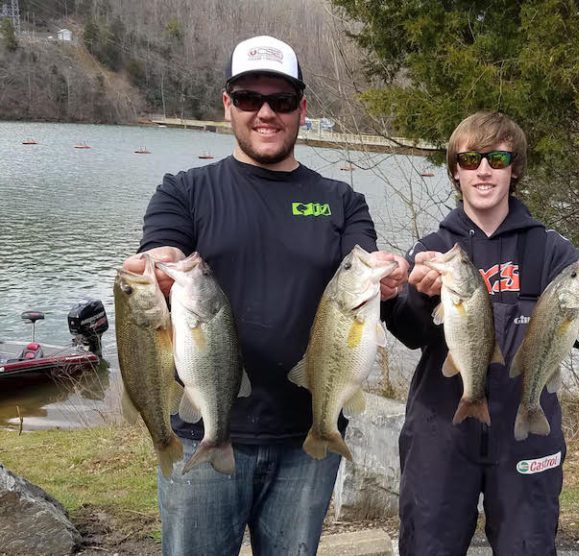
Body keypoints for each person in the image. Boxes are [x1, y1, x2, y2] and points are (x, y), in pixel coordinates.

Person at [122, 35, 408, 556]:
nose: (265, 113)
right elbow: (162, 248)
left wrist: (390, 273)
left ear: (302, 108)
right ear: (227, 104)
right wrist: (157, 267)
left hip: (307, 439)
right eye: (250, 98)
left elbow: (363, 271)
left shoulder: (341, 200)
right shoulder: (184, 190)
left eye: (280, 100)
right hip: (199, 428)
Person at [383, 111, 579, 555]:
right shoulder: (433, 249)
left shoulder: (552, 249)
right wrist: (416, 297)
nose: (484, 170)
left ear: (515, 168)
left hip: (526, 437)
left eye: (497, 157)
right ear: (455, 171)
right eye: (470, 159)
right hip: (440, 435)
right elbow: (409, 333)